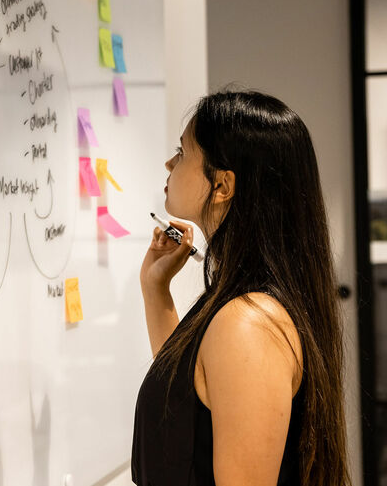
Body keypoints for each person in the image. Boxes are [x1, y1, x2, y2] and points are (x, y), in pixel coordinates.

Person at [132, 90, 350, 486]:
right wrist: (155, 290)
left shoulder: (247, 324)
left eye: (181, 152)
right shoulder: (239, 304)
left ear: (222, 186)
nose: (169, 163)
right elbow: (186, 400)